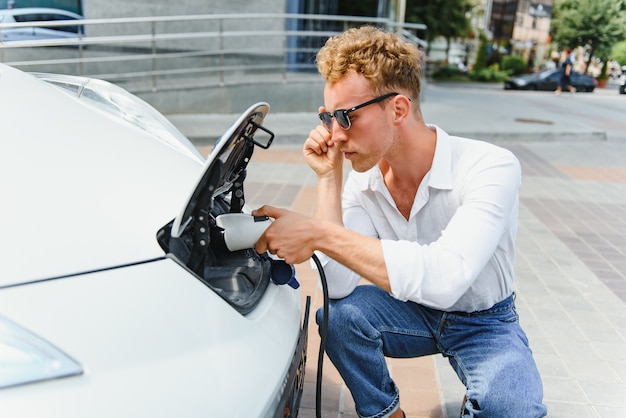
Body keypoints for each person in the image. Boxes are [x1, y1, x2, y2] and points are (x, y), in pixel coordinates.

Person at [253, 26, 547, 418]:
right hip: (410, 310)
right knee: (339, 319)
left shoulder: (489, 166)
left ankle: (484, 396)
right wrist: (329, 178)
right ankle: (386, 413)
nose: (335, 135)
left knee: (512, 411)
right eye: (327, 117)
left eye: (346, 116)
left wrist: (317, 232)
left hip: (485, 321)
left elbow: (447, 278)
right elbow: (337, 286)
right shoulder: (365, 184)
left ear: (398, 109)